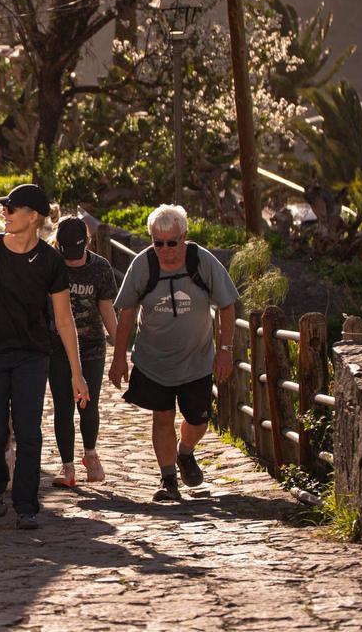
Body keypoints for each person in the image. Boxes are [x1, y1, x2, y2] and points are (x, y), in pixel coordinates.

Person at [0, 184, 90, 530]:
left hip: (31, 356)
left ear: (33, 216)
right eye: (5, 210)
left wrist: (76, 372)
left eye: (11, 209)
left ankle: (26, 505)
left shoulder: (51, 261)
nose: (5, 215)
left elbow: (63, 318)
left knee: (29, 432)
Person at [109, 204, 239, 502]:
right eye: (158, 243)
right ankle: (168, 479)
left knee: (199, 419)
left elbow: (227, 306)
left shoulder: (201, 261)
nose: (165, 249)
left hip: (197, 360)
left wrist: (225, 350)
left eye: (172, 242)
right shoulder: (143, 265)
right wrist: (118, 357)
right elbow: (127, 311)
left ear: (184, 236)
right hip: (154, 360)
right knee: (162, 416)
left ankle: (185, 452)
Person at [48, 217, 118, 487]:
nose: (73, 261)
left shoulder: (100, 267)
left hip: (91, 346)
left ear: (86, 245)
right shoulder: (50, 264)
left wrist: (122, 349)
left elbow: (106, 309)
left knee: (88, 403)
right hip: (57, 348)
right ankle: (67, 467)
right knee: (63, 406)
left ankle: (90, 454)